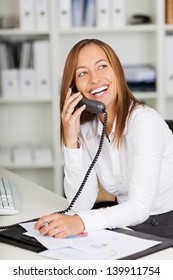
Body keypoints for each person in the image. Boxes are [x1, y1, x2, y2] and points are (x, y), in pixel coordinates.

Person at [35, 38, 173, 240]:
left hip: (163, 224)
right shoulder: (88, 128)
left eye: (102, 66)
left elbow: (139, 208)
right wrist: (71, 140)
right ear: (74, 89)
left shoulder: (144, 122)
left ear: (117, 71)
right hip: (123, 221)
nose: (94, 79)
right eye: (82, 73)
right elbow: (81, 204)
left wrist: (81, 222)